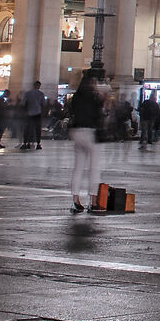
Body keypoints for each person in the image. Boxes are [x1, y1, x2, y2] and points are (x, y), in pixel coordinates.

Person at [66, 71, 104, 214]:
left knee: (78, 167)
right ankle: (93, 201)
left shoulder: (76, 97)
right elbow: (99, 113)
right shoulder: (94, 97)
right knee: (94, 168)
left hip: (76, 132)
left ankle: (76, 200)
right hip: (90, 132)